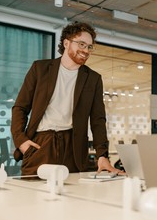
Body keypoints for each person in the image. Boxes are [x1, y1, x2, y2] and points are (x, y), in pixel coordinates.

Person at [11, 21, 122, 176]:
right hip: (40, 144)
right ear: (66, 43)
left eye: (90, 47)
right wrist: (21, 141)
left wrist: (102, 155)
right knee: (34, 193)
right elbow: (20, 108)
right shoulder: (40, 69)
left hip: (73, 148)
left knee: (71, 194)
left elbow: (98, 119)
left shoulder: (93, 79)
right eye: (82, 44)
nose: (86, 50)